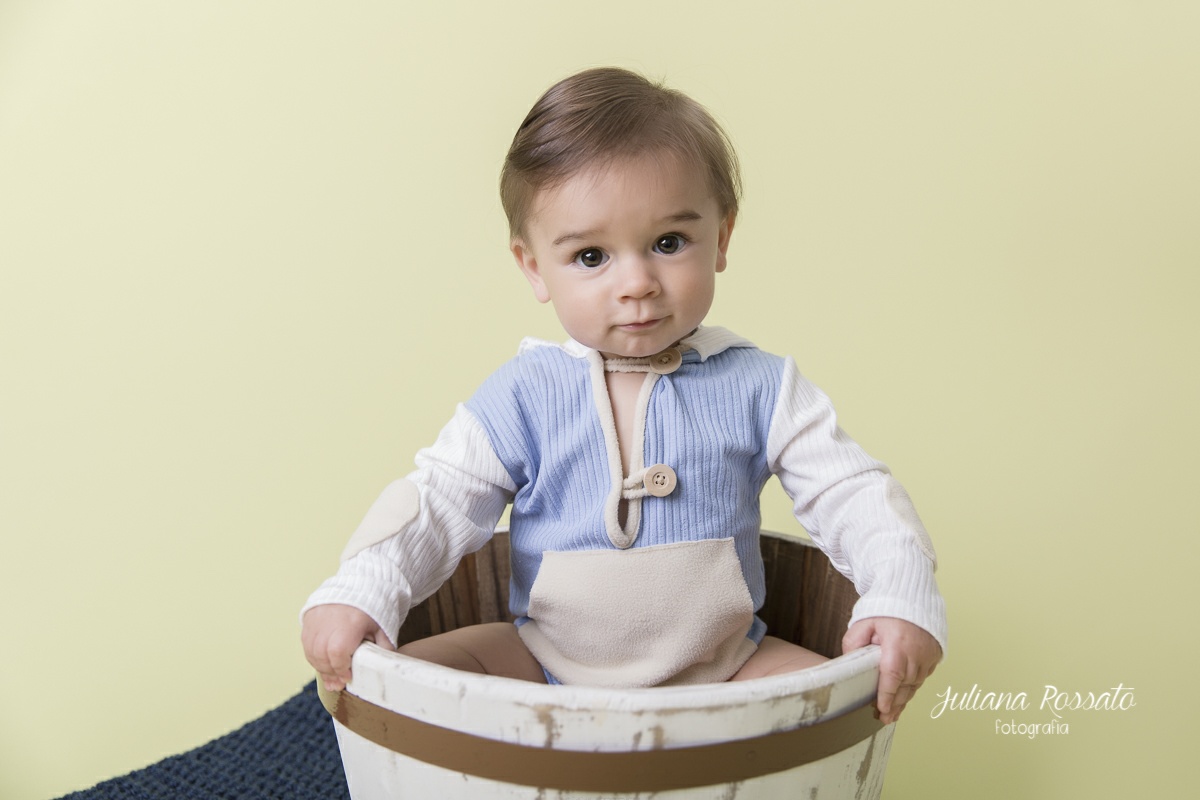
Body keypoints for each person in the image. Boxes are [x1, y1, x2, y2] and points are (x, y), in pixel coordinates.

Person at [301, 66, 945, 724]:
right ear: (534, 267)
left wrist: (898, 592)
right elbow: (435, 501)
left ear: (720, 239)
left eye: (669, 243)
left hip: (727, 667)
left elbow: (854, 493)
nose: (637, 282)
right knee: (408, 682)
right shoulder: (526, 393)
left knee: (833, 701)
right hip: (540, 665)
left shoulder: (761, 385)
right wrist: (362, 589)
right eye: (590, 257)